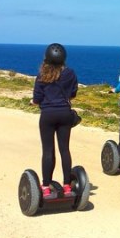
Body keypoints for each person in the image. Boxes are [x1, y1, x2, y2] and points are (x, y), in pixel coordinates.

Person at [30, 43, 79, 198]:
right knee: (64, 149)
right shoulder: (70, 73)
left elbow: (37, 99)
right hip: (65, 113)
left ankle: (45, 186)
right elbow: (73, 94)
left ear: (47, 58)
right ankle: (67, 186)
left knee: (48, 151)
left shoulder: (42, 76)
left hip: (48, 116)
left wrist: (33, 102)